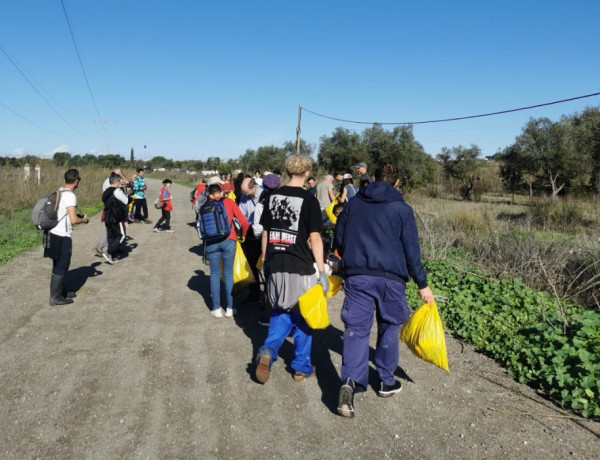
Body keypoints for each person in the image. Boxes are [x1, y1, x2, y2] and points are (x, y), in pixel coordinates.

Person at [333, 163, 435, 418]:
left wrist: (351, 259)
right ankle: (385, 381)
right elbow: (412, 251)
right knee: (390, 326)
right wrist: (422, 284)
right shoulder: (402, 209)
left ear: (374, 178)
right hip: (391, 279)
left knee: (356, 329)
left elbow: (339, 239)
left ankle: (349, 382)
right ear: (397, 182)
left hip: (357, 276)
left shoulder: (354, 204)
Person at [254, 155, 329, 384]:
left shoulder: (273, 196)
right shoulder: (309, 200)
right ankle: (301, 367)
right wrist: (322, 271)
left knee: (280, 311)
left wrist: (265, 262)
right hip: (300, 267)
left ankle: (268, 350)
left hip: (275, 264)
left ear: (287, 171)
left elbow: (266, 233)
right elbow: (315, 238)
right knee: (304, 317)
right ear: (307, 173)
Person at [44, 168, 89, 305]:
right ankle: (55, 297)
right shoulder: (70, 196)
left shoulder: (59, 191)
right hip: (62, 235)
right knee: (63, 263)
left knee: (57, 262)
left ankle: (60, 291)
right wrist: (84, 220)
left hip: (51, 232)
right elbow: (74, 220)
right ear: (76, 181)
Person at [204, 183, 249, 318]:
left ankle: (216, 308)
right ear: (222, 192)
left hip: (211, 242)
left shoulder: (205, 205)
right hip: (229, 240)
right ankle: (230, 308)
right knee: (228, 274)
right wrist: (243, 235)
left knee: (215, 274)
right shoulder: (229, 202)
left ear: (210, 194)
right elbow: (244, 222)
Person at [94, 168, 129, 256]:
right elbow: (127, 182)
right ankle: (103, 247)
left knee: (112, 230)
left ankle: (115, 249)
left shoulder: (109, 182)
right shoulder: (112, 184)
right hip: (115, 210)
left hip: (109, 210)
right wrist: (121, 173)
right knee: (116, 231)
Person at [238, 177, 262, 303]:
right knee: (251, 265)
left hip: (263, 233)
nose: (244, 194)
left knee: (264, 264)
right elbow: (241, 215)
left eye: (246, 192)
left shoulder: (264, 195)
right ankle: (254, 293)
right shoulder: (244, 198)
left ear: (254, 187)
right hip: (250, 233)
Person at [102, 172, 129, 264]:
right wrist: (131, 198)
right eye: (119, 181)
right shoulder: (117, 191)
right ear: (117, 182)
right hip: (116, 217)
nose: (120, 183)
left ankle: (112, 256)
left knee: (111, 237)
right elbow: (126, 201)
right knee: (122, 235)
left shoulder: (105, 191)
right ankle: (108, 252)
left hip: (107, 217)